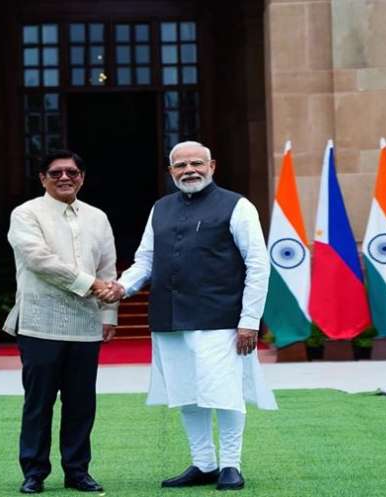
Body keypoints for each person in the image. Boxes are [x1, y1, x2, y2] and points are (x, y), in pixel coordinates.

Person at [97, 140, 277, 491]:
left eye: (196, 163)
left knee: (224, 392)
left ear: (212, 166)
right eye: (181, 165)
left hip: (221, 318)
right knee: (187, 393)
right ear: (170, 171)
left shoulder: (238, 206)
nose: (189, 170)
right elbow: (145, 260)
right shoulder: (160, 208)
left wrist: (249, 320)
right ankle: (204, 463)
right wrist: (122, 287)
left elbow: (258, 265)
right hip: (170, 317)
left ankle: (231, 465)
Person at [5, 150, 118, 494]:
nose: (65, 177)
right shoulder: (26, 213)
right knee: (38, 403)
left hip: (85, 324)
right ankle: (34, 472)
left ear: (82, 177)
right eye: (56, 173)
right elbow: (39, 260)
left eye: (72, 172)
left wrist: (109, 313)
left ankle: (77, 471)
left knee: (81, 404)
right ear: (43, 178)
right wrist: (91, 285)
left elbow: (108, 267)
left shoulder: (98, 217)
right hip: (40, 322)